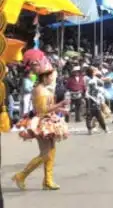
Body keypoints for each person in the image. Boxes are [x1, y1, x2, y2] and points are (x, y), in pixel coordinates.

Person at [12, 57, 69, 190]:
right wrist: (60, 104)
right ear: (45, 77)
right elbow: (42, 110)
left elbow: (49, 106)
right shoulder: (39, 90)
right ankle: (21, 176)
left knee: (52, 151)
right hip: (41, 123)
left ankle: (48, 181)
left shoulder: (45, 89)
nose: (52, 79)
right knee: (45, 153)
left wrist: (60, 109)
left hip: (49, 121)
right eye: (51, 77)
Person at [85, 67, 109, 135]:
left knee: (96, 114)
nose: (95, 73)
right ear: (90, 72)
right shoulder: (86, 78)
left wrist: (105, 80)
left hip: (95, 98)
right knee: (91, 114)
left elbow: (101, 82)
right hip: (89, 98)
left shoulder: (94, 78)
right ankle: (91, 129)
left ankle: (103, 128)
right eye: (94, 72)